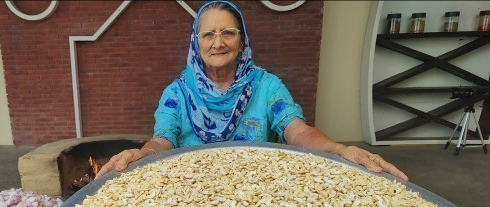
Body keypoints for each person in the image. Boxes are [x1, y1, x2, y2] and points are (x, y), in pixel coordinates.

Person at [96, 0, 408, 181]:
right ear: (196, 43)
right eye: (208, 35)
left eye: (228, 33)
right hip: (190, 191)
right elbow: (163, 139)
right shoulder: (177, 93)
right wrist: (143, 153)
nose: (218, 42)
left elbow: (296, 131)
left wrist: (339, 149)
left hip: (259, 192)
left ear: (242, 41)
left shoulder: (266, 86)